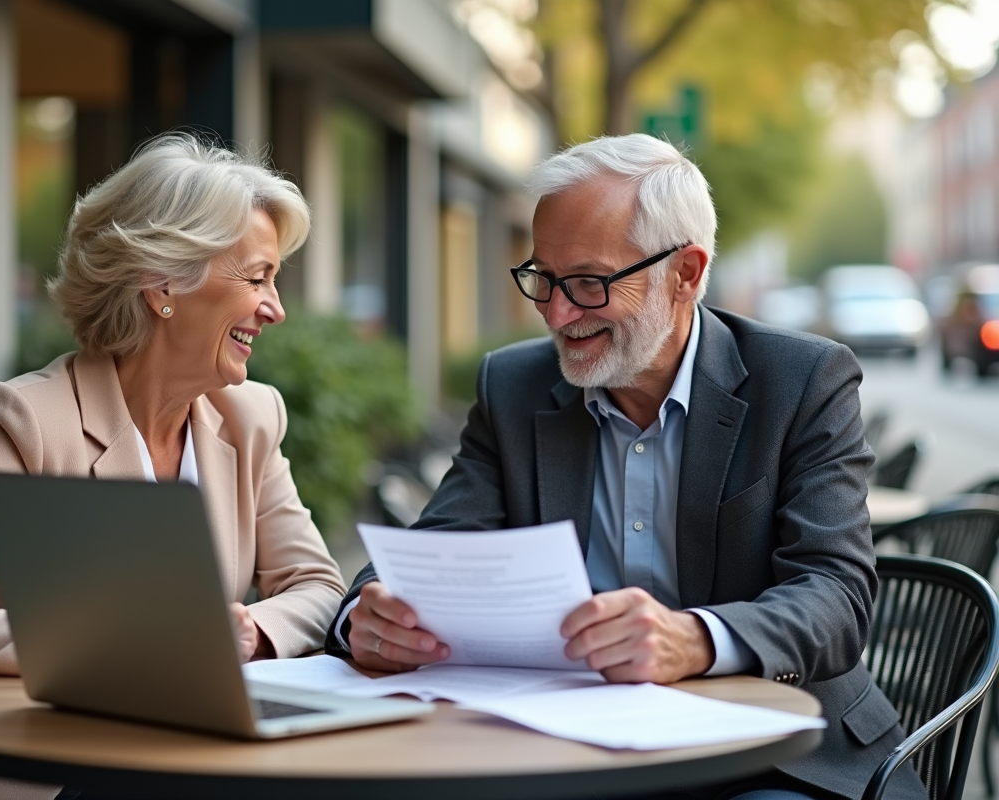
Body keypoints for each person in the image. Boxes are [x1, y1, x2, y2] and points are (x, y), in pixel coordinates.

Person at [324, 134, 925, 800]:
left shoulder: (802, 380)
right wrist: (366, 618)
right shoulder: (514, 386)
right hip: (562, 751)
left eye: (587, 283)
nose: (557, 313)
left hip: (774, 757)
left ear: (686, 274)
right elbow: (429, 551)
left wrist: (693, 638)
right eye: (543, 280)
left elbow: (836, 596)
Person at [0, 134, 347, 800]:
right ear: (163, 285)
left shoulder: (251, 418)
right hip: (38, 776)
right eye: (256, 277)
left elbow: (320, 587)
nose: (276, 307)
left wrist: (250, 633)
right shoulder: (28, 422)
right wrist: (127, 643)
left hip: (188, 759)